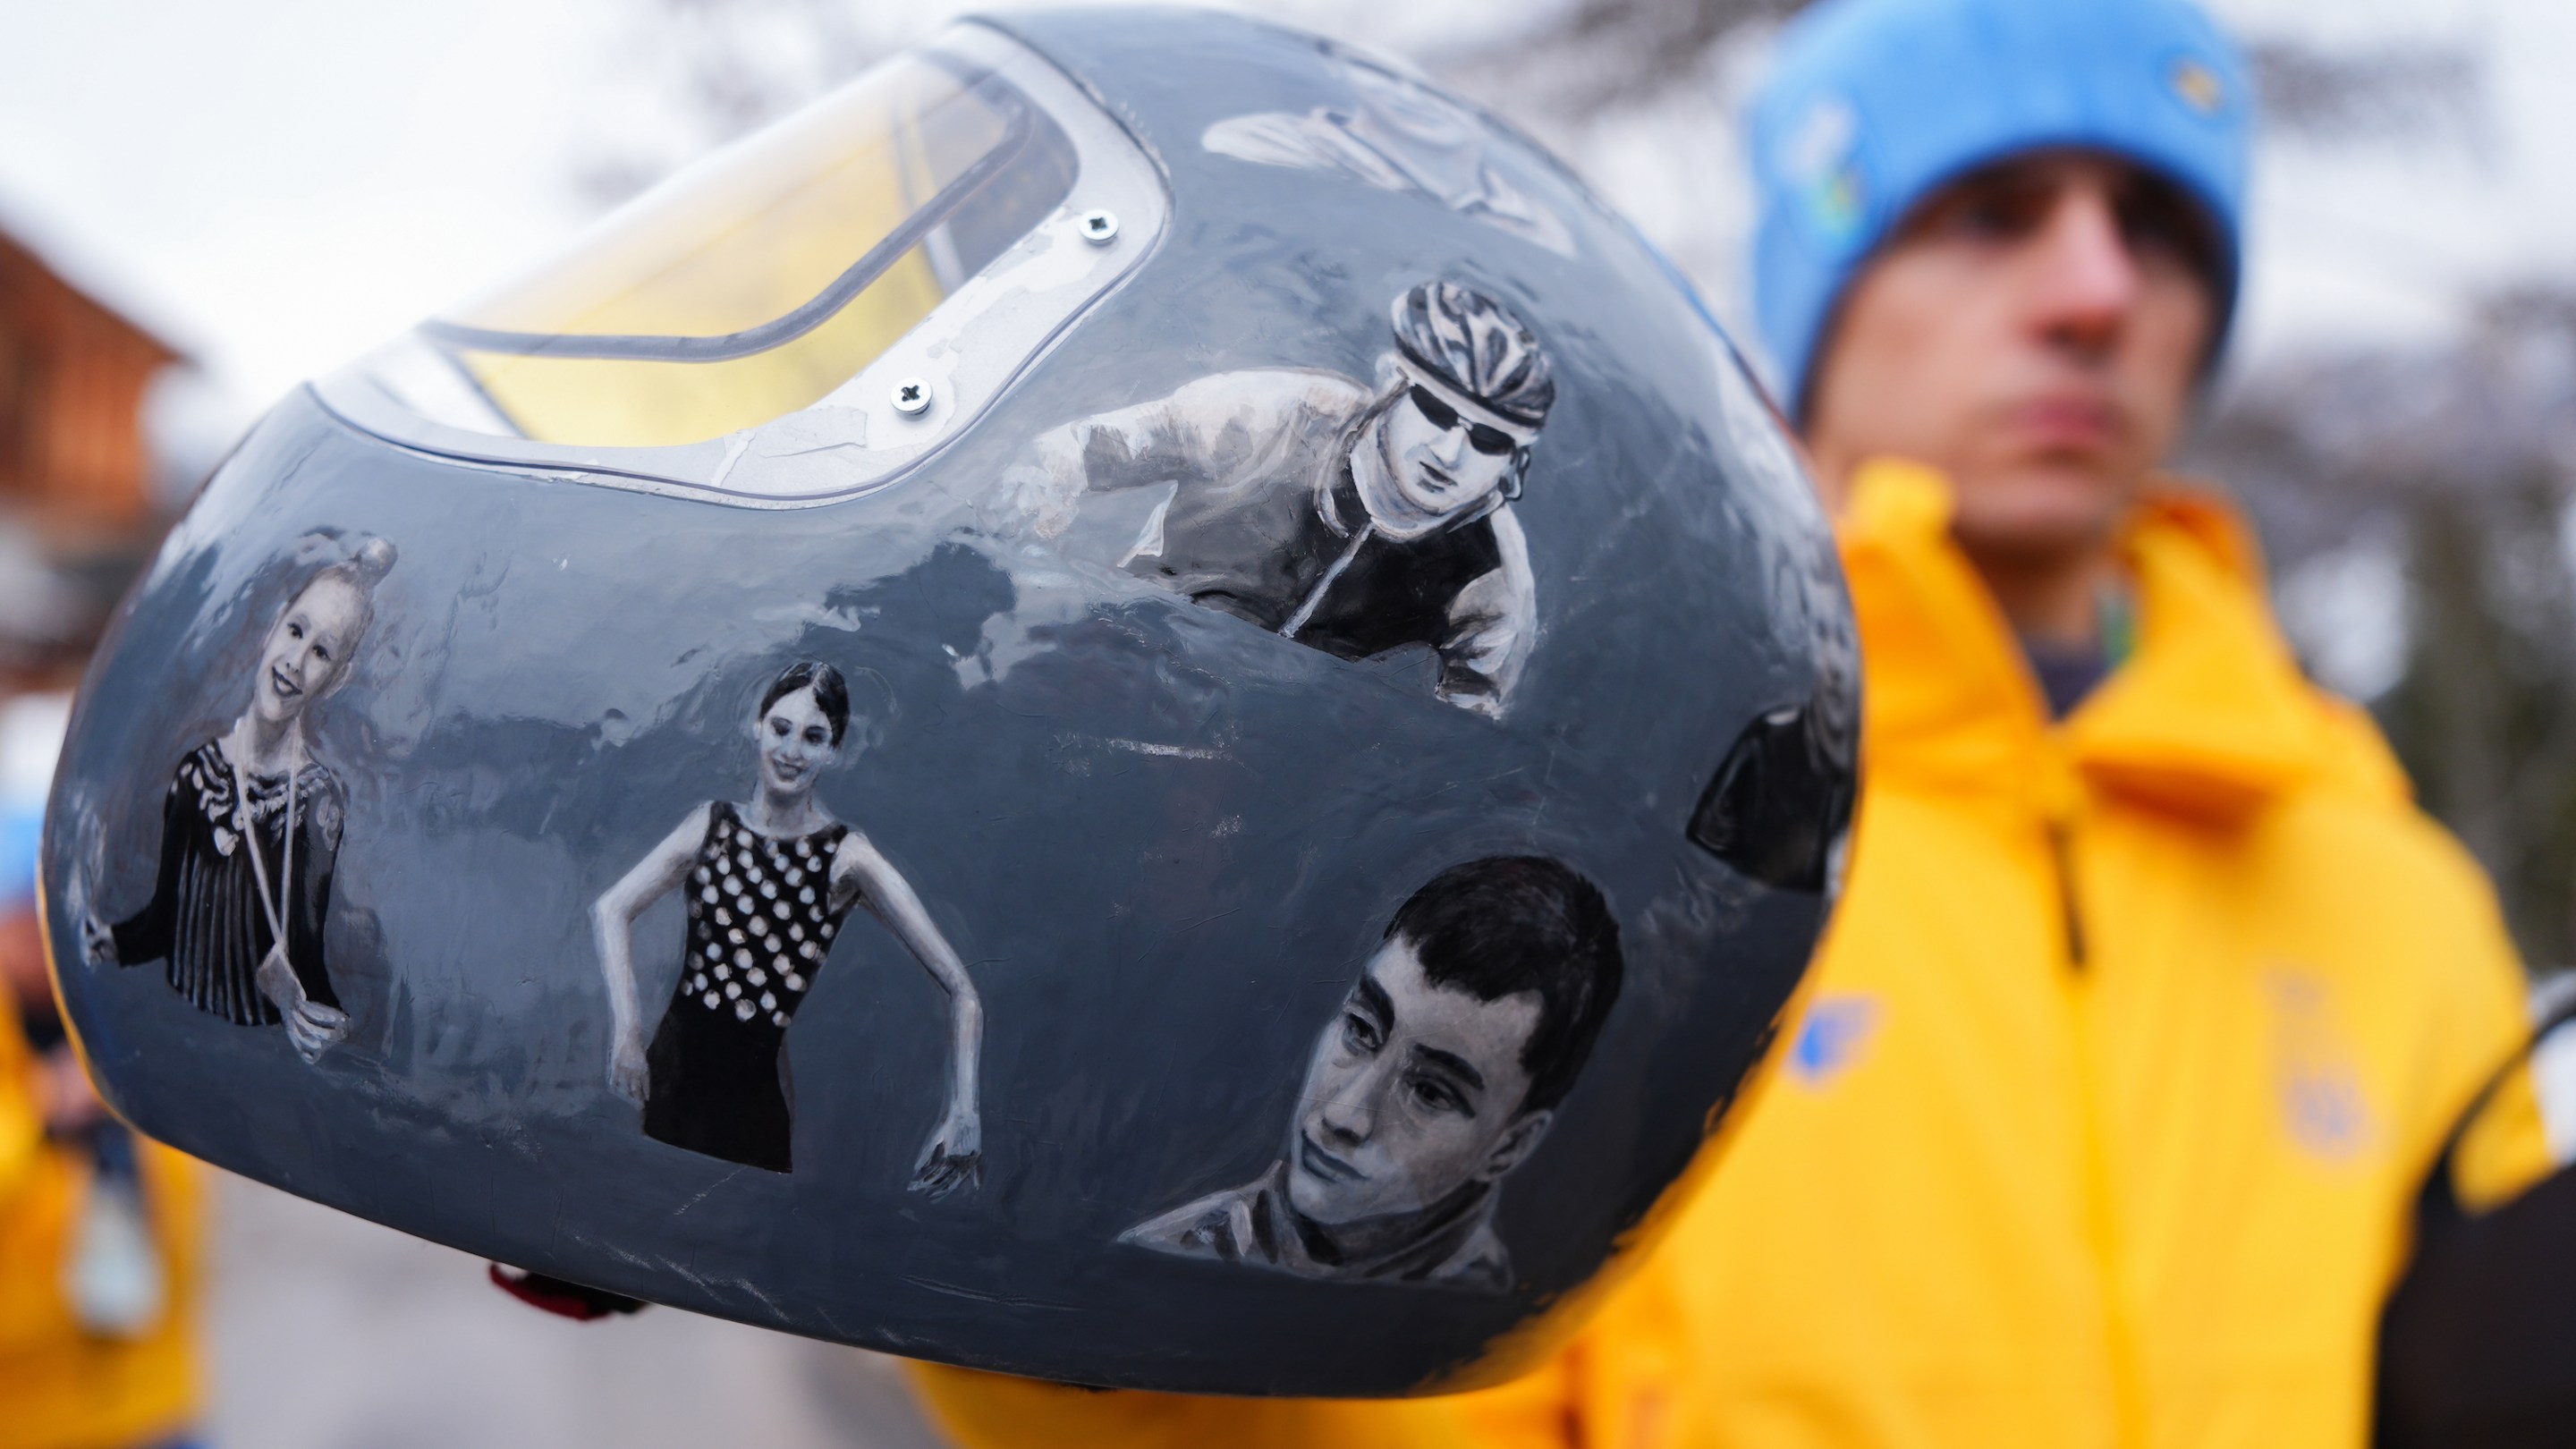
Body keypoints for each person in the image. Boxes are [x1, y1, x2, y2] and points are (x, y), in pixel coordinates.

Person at [907, 0, 2553, 1443]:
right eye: (1991, 212)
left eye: (2163, 228)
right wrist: (1025, 1238)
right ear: (1825, 280)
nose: (2094, 289)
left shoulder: (2396, 903)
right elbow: (1290, 1394)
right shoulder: (1600, 811)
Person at [1006, 279, 1554, 717]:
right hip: (1120, 653)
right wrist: (1027, 540)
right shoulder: (1279, 415)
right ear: (1392, 384)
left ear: (1514, 461)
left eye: (1488, 439)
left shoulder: (1494, 573)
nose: (1450, 451)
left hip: (1265, 756)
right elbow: (1082, 451)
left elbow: (1470, 724)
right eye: (1434, 409)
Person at [1122, 856, 1623, 1290]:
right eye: (1361, 1031)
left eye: (1429, 1092)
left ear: (1509, 1146)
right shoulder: (1170, 1255)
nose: (1344, 1118)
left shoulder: (1494, 1309)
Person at [593, 660, 984, 1189]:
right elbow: (611, 909)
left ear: (833, 751)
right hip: (669, 1080)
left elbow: (963, 991)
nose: (791, 751)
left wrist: (965, 1111)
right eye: (781, 728)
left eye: (813, 737)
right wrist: (627, 1033)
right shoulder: (709, 824)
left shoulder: (848, 857)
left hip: (755, 1104)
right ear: (758, 726)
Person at [83, 536, 396, 1064]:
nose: (295, 661)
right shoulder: (196, 773)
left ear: (338, 677)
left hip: (252, 1066)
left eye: (322, 652)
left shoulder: (315, 805)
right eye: (295, 631)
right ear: (271, 628)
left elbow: (306, 955)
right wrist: (106, 940)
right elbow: (164, 920)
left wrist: (321, 1025)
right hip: (170, 1051)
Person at [0, 694, 208, 1449]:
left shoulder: (119, 1007)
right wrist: (42, 1116)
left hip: (155, 1398)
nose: (45, 927)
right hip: (29, 1419)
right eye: (27, 902)